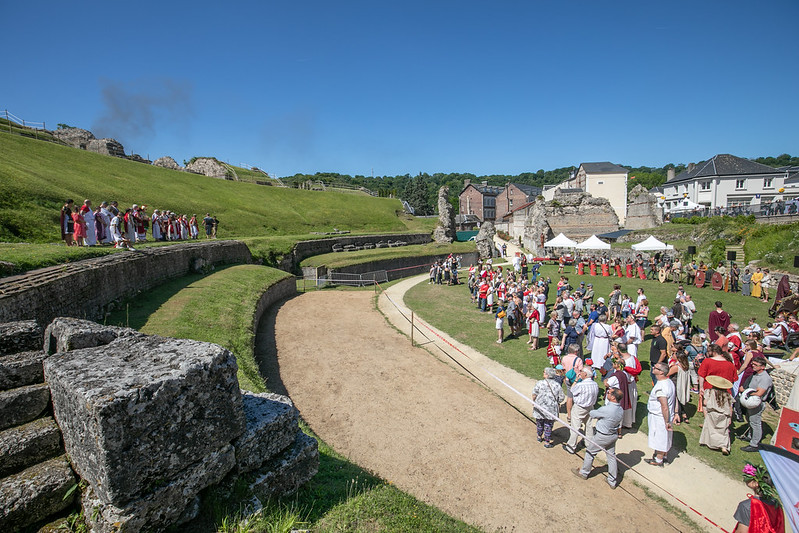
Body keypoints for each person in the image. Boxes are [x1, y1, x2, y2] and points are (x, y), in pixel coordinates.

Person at [573, 387, 624, 489]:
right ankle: (612, 481)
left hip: (602, 436)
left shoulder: (607, 409)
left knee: (590, 452)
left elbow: (592, 414)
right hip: (612, 435)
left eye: (609, 393)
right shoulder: (620, 409)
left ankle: (584, 472)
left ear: (613, 397)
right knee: (611, 457)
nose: (607, 394)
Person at [732, 463, 785, 533]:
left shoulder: (747, 506)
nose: (745, 478)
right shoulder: (776, 504)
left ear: (756, 483)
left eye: (748, 477)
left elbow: (742, 532)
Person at [646, 362, 677, 466]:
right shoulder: (669, 383)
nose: (653, 368)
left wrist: (666, 421)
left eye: (656, 368)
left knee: (660, 436)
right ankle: (664, 455)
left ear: (661, 372)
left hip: (660, 416)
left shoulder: (662, 387)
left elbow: (664, 406)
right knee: (665, 436)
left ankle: (658, 459)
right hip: (666, 415)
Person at [740, 357, 773, 452]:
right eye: (752, 364)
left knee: (755, 423)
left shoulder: (765, 378)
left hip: (757, 403)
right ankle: (750, 436)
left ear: (762, 367)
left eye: (755, 365)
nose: (752, 366)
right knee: (749, 419)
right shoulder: (756, 374)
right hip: (750, 401)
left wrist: (745, 391)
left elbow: (759, 393)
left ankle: (754, 444)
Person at [563, 365, 597, 454]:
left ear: (585, 374)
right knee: (589, 426)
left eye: (581, 371)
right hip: (590, 407)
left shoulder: (581, 385)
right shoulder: (595, 384)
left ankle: (571, 447)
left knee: (575, 427)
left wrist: (576, 380)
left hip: (580, 407)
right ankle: (588, 443)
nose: (579, 372)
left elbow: (572, 390)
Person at [699, 373, 734, 455]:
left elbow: (705, 402)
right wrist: (730, 417)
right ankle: (724, 447)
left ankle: (707, 442)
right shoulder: (728, 395)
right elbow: (730, 407)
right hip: (724, 415)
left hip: (713, 413)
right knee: (723, 431)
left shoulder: (710, 392)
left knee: (710, 428)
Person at [531, 367, 565, 448]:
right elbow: (562, 397)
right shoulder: (557, 385)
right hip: (551, 408)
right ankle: (547, 441)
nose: (543, 373)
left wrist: (534, 401)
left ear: (547, 375)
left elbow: (534, 393)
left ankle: (539, 436)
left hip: (540, 407)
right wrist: (557, 402)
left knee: (539, 423)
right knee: (548, 425)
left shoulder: (540, 383)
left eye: (544, 372)